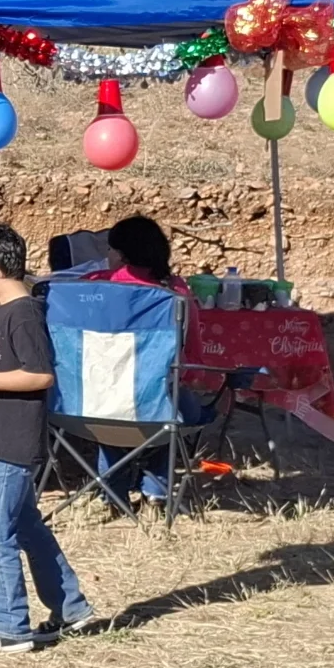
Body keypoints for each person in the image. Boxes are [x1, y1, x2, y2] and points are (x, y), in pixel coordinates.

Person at [0, 223, 95, 655]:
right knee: (27, 526)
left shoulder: (24, 314)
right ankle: (71, 609)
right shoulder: (3, 314)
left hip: (11, 443)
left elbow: (39, 374)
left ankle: (10, 625)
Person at [81, 214, 211, 505]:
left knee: (115, 405)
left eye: (111, 250)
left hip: (90, 407)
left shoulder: (92, 288)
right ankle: (156, 490)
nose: (107, 256)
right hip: (161, 408)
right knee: (164, 398)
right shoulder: (176, 292)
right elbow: (192, 354)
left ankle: (113, 491)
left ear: (122, 255)